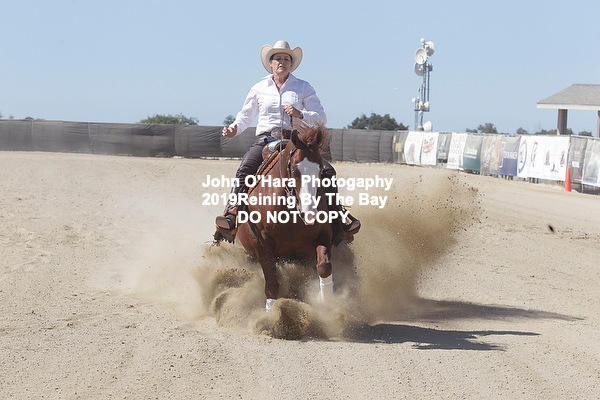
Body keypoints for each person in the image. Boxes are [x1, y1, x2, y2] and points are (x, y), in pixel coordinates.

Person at [214, 40, 360, 244]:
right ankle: (231, 214)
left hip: (297, 141)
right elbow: (246, 115)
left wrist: (301, 114)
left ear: (291, 64)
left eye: (286, 59)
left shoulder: (303, 87)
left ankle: (338, 220)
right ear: (270, 63)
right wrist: (234, 129)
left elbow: (321, 117)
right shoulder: (259, 88)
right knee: (245, 169)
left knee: (327, 171)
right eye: (278, 59)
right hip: (266, 140)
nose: (282, 62)